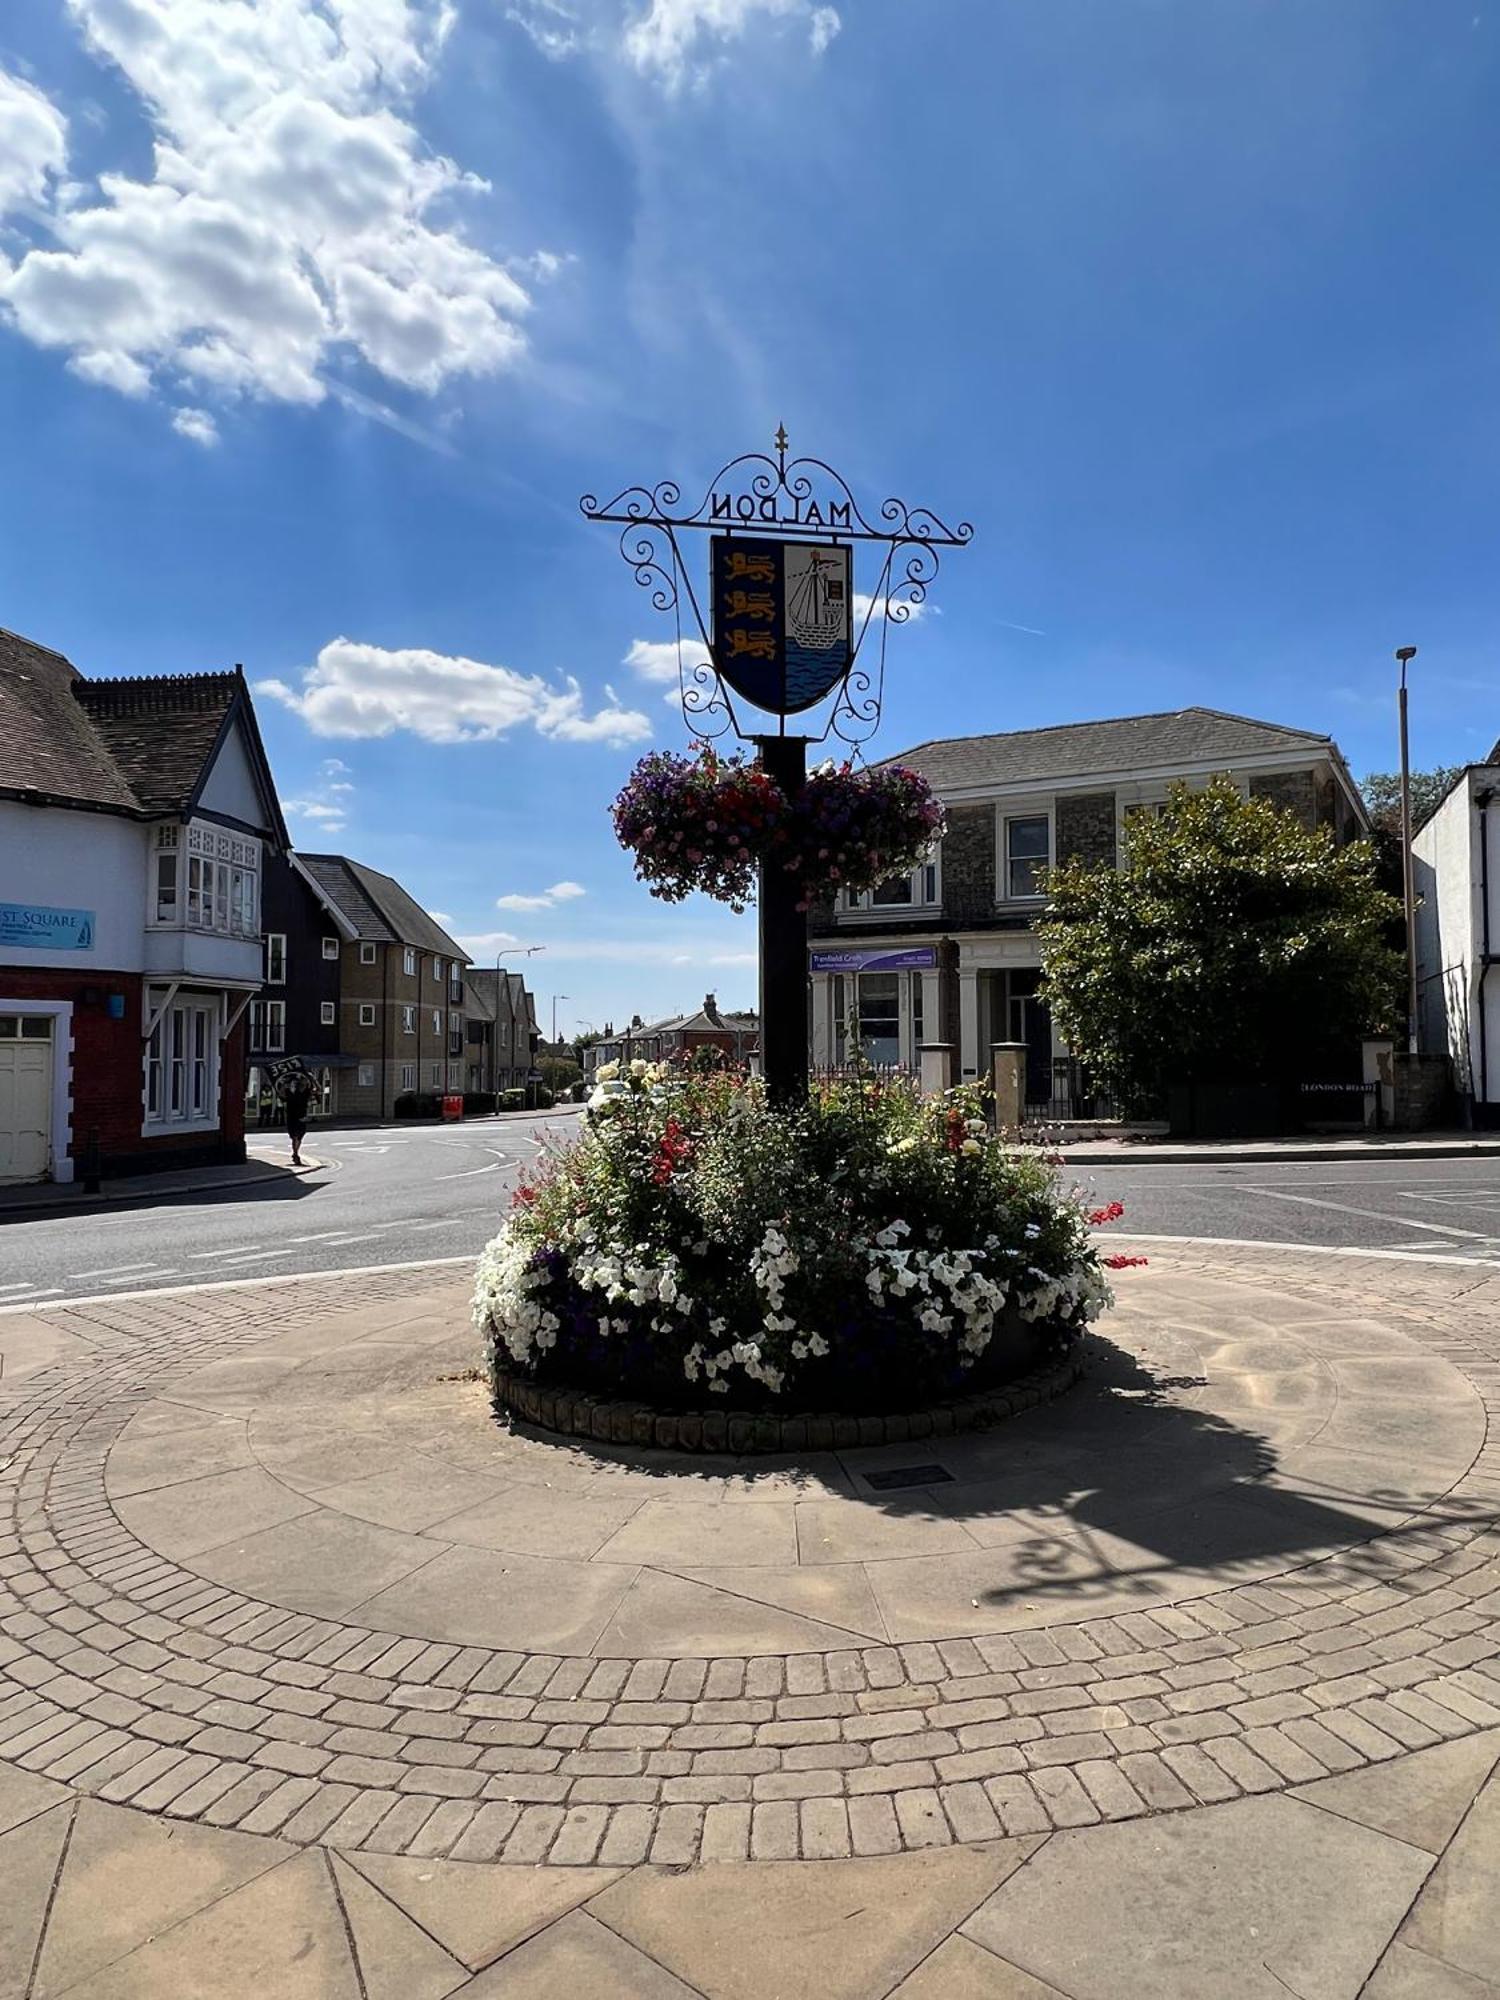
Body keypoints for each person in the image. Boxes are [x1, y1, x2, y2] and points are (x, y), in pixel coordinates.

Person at [275, 1061, 316, 1169]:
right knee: (296, 1137)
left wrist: (312, 1080)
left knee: (297, 1137)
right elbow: (281, 1093)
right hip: (295, 1117)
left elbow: (316, 1090)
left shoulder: (302, 1093)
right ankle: (295, 1153)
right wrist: (313, 1080)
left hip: (297, 1117)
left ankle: (295, 1153)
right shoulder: (297, 1094)